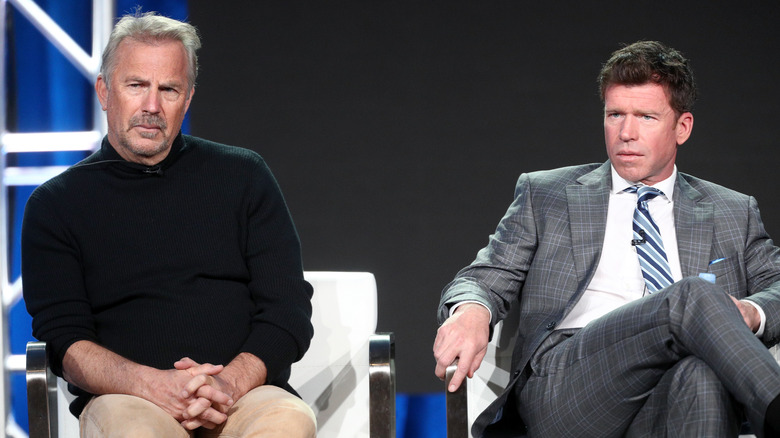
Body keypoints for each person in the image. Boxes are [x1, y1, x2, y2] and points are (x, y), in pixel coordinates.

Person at [433, 40, 780, 438]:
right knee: (693, 296)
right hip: (572, 390)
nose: (626, 133)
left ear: (682, 127)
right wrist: (472, 311)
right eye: (615, 114)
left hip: (671, 394)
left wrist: (753, 313)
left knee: (701, 375)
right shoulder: (547, 194)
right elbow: (484, 276)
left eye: (646, 117)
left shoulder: (732, 210)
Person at [22, 11, 316, 438]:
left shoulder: (244, 176)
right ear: (105, 91)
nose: (152, 106)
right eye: (136, 85)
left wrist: (226, 383)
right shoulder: (55, 205)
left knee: (289, 422)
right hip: (128, 399)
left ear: (189, 98)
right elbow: (65, 343)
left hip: (239, 396)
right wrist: (154, 385)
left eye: (169, 89)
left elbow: (287, 310)